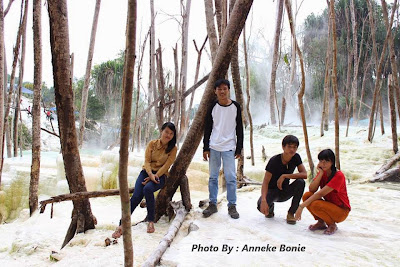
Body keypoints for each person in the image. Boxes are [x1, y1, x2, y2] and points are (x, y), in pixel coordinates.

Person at [112, 122, 177, 238]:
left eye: (171, 134)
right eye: (166, 132)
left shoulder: (173, 149)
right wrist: (150, 175)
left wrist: (155, 176)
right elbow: (146, 161)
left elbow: (167, 165)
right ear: (161, 131)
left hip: (161, 176)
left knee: (148, 189)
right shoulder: (152, 144)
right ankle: (122, 225)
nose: (168, 135)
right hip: (146, 173)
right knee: (136, 196)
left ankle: (150, 221)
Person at [202, 79, 243, 219]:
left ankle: (232, 206)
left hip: (229, 147)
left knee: (231, 177)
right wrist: (205, 147)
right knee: (213, 177)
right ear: (215, 91)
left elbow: (239, 128)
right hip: (214, 146)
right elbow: (207, 128)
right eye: (219, 89)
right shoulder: (213, 106)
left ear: (228, 90)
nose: (222, 91)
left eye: (224, 88)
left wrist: (239, 147)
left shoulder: (235, 107)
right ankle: (212, 204)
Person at [294, 149, 350, 235]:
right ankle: (321, 222)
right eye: (321, 161)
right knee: (307, 196)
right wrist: (320, 173)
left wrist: (301, 206)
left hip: (341, 211)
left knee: (315, 204)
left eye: (326, 161)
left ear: (332, 162)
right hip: (329, 206)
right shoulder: (323, 172)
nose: (323, 164)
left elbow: (321, 193)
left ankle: (332, 225)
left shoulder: (339, 175)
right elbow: (312, 189)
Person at [257, 135, 307, 224]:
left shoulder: (296, 157)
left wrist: (285, 176)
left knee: (301, 182)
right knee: (260, 205)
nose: (292, 150)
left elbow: (304, 174)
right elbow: (265, 182)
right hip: (272, 192)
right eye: (289, 147)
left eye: (294, 147)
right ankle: (270, 209)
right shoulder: (274, 160)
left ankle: (291, 213)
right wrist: (264, 200)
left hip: (284, 191)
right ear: (283, 147)